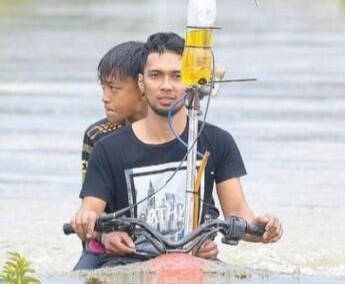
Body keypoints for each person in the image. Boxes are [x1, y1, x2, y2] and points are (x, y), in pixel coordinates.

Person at [70, 32, 282, 268]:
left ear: (189, 81)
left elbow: (239, 213)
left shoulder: (217, 142)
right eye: (156, 76)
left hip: (194, 258)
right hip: (125, 261)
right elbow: (89, 210)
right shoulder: (105, 146)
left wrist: (263, 228)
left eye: (177, 76)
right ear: (142, 83)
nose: (166, 86)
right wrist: (91, 224)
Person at [75, 40, 147, 270]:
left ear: (143, 85)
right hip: (106, 246)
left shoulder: (174, 131)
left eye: (113, 88)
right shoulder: (98, 137)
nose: (104, 97)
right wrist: (105, 236)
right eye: (103, 88)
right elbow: (90, 210)